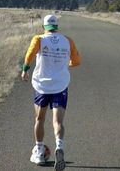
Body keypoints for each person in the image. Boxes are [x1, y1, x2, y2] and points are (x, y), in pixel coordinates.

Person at [21, 14, 80, 171]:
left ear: (44, 27)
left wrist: (25, 70)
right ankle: (59, 146)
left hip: (42, 86)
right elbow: (76, 62)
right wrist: (63, 63)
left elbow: (30, 55)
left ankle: (39, 150)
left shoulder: (39, 39)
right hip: (60, 85)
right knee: (58, 122)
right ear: (57, 26)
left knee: (40, 119)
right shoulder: (68, 40)